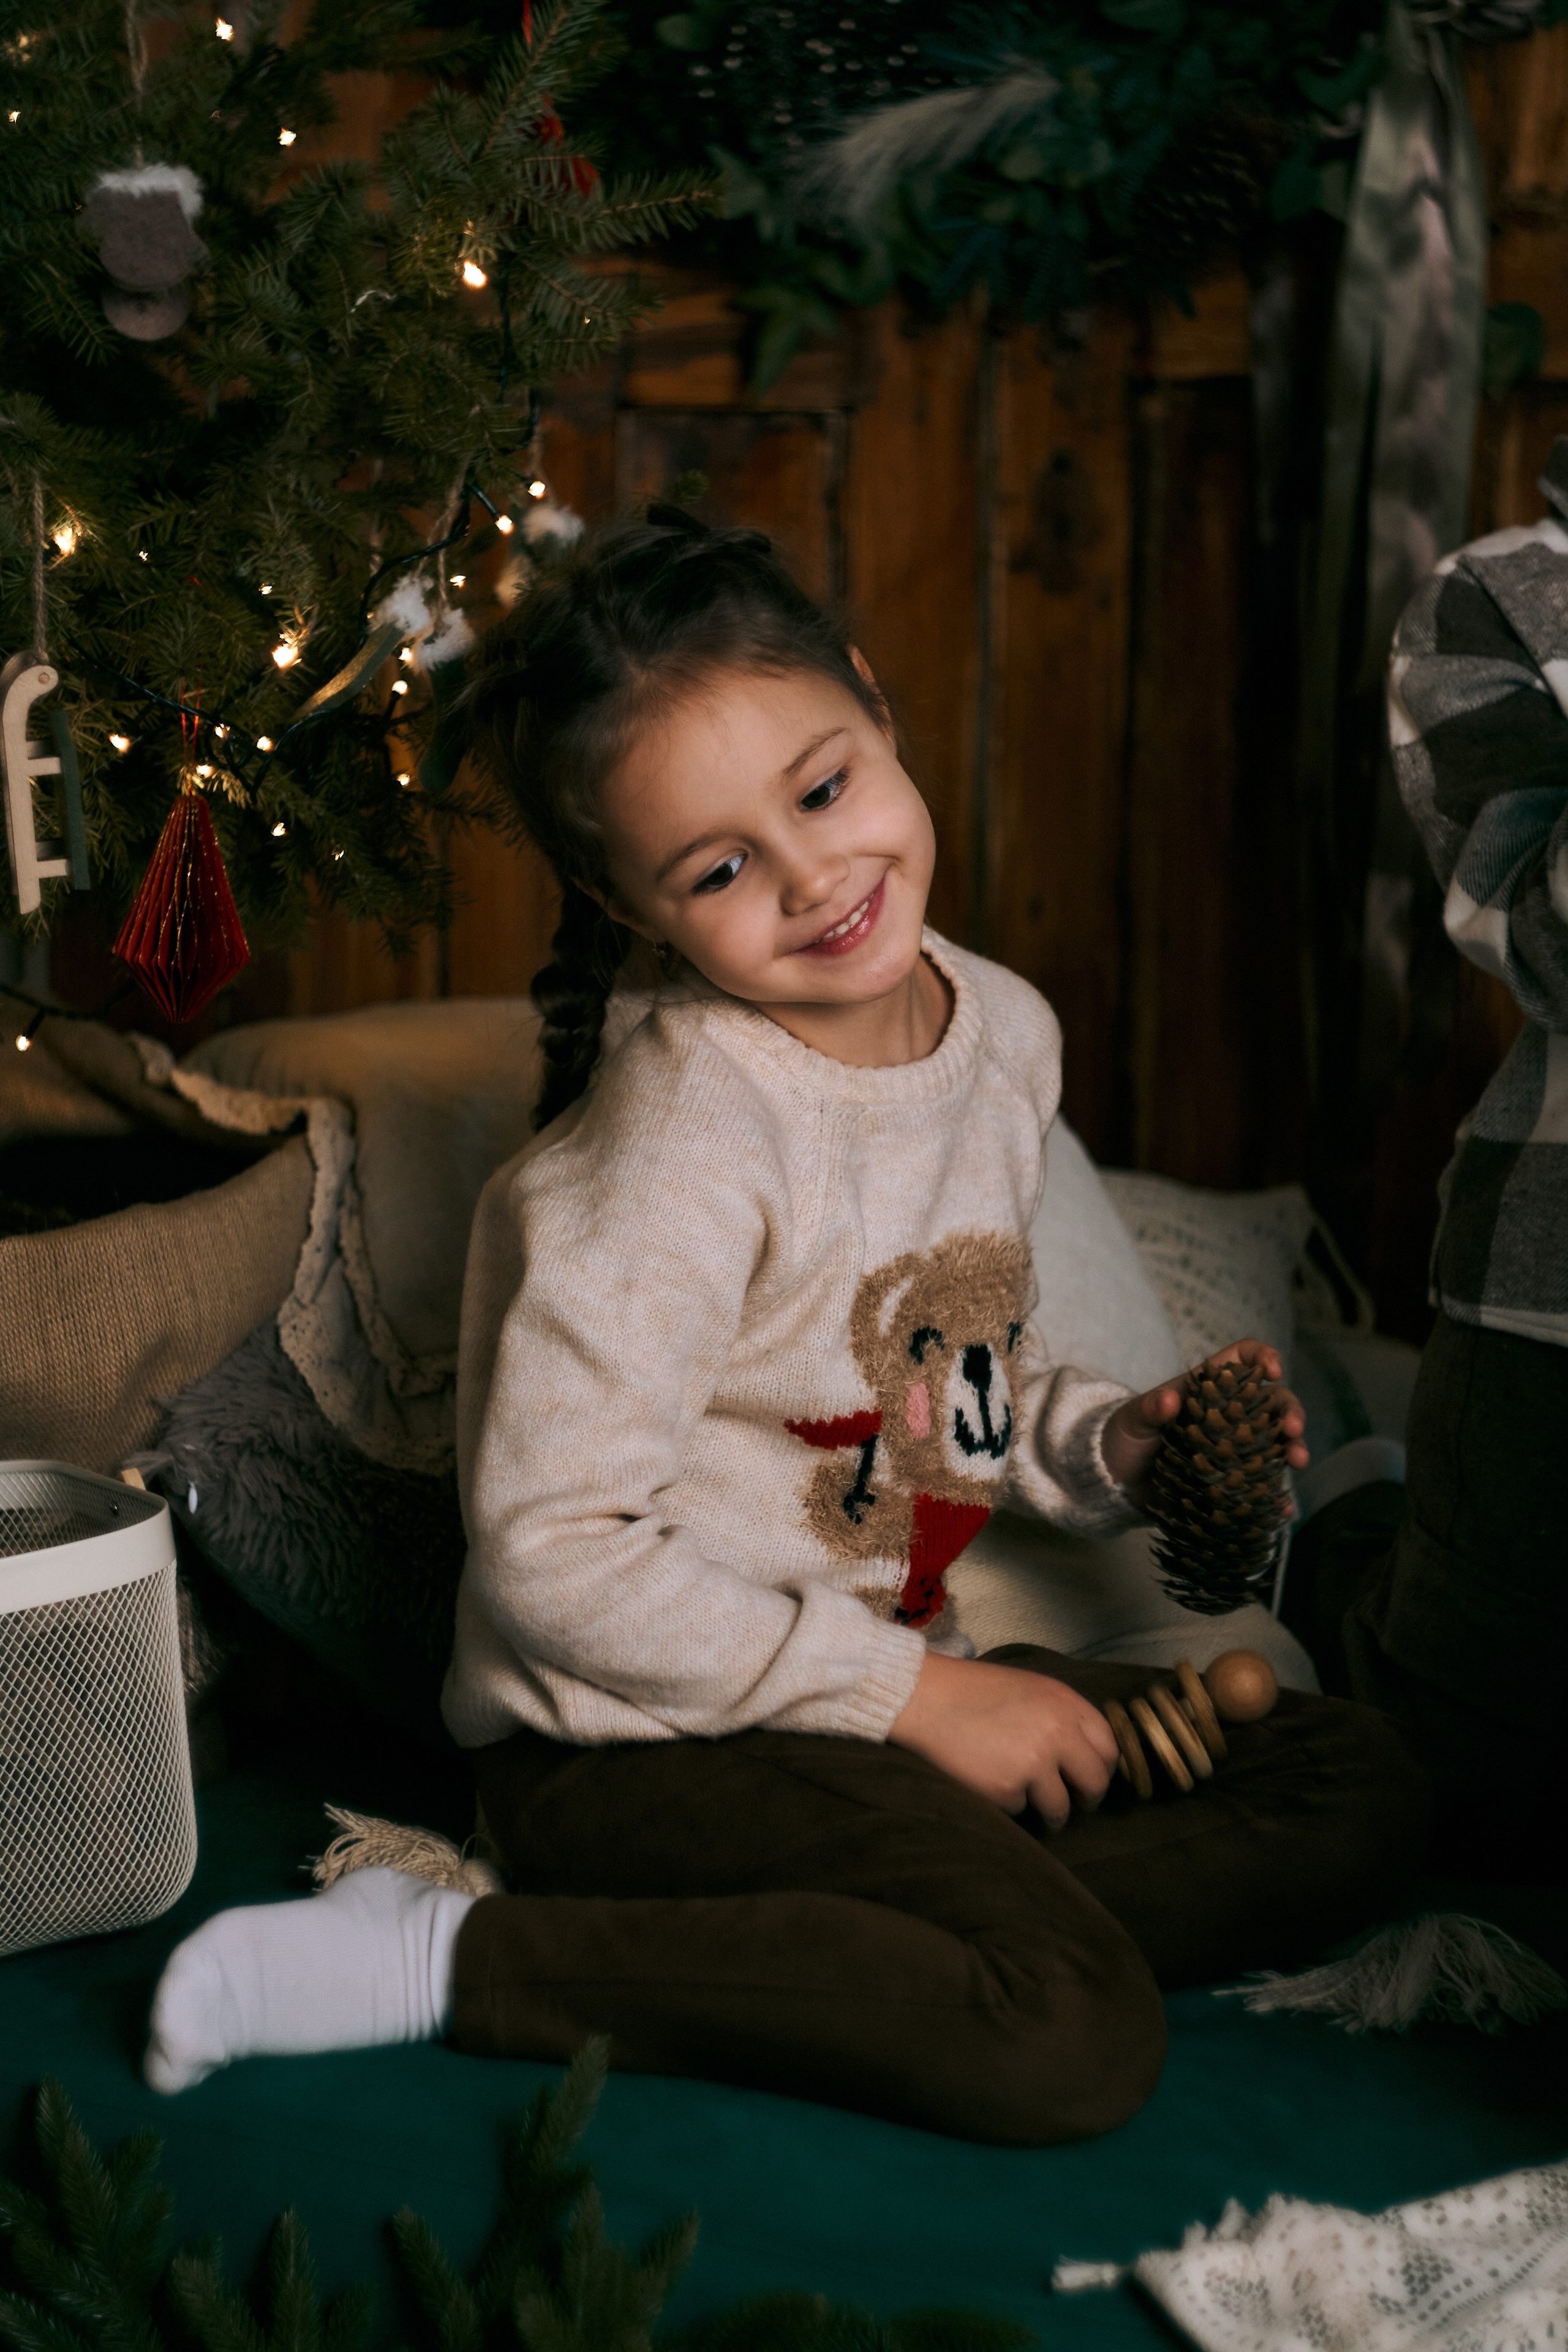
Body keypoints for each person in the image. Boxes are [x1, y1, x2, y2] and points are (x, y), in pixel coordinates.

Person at [144, 508, 1428, 2141]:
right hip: (641, 1748)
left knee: (1358, 1786)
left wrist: (1109, 1443)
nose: (815, 879)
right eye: (720, 868)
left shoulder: (1001, 1033)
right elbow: (554, 1557)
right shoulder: (677, 1141)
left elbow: (949, 1364)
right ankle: (448, 1956)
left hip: (871, 1699)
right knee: (1061, 2033)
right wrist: (922, 1706)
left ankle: (889, 1937)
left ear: (873, 705)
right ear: (630, 903)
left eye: (820, 790)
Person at [1286, 447, 1568, 1879]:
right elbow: (1543, 942)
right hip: (1543, 1306)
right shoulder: (1498, 601)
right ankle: (1343, 1537)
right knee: (1466, 1772)